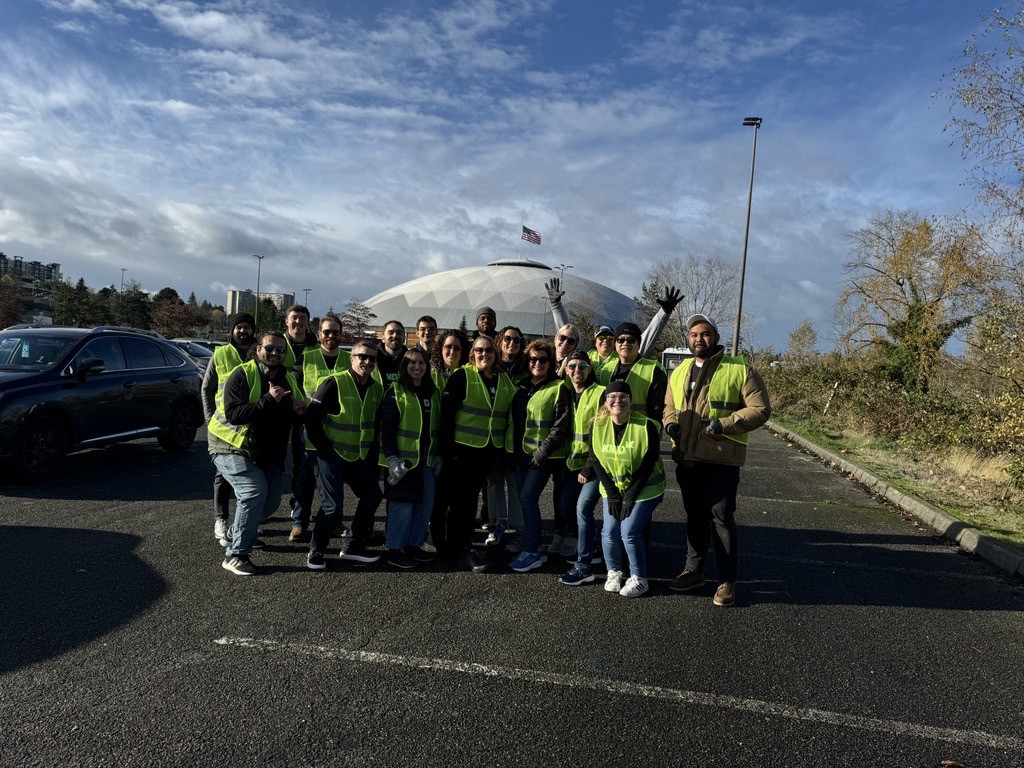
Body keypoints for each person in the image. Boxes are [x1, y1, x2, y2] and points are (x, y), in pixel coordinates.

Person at [663, 314, 770, 607]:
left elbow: (760, 409)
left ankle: (726, 582)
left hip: (721, 459)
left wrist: (725, 424)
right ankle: (693, 571)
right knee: (695, 517)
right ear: (689, 339)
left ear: (716, 337)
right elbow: (669, 405)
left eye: (706, 334)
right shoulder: (681, 369)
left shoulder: (740, 369)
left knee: (722, 519)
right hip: (687, 458)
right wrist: (670, 424)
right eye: (694, 334)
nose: (699, 339)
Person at [209, 332, 307, 576]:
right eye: (270, 348)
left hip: (266, 450)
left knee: (272, 500)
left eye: (280, 350)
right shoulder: (241, 374)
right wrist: (267, 400)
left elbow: (292, 415)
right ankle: (236, 555)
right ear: (258, 349)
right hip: (230, 444)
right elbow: (234, 414)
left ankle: (237, 532)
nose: (275, 353)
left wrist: (297, 412)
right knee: (253, 491)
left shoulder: (289, 380)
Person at [304, 340, 386, 569]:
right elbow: (311, 418)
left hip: (357, 456)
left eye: (372, 358)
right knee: (332, 506)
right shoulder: (334, 382)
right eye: (362, 356)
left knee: (372, 496)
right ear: (352, 358)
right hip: (330, 455)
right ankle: (316, 550)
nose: (367, 361)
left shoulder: (377, 389)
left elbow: (374, 424)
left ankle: (351, 547)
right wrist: (324, 449)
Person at [437, 334, 514, 572]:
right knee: (462, 503)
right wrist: (447, 451)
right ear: (472, 354)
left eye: (489, 351)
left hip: (488, 452)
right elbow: (446, 415)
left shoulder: (503, 380)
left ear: (496, 354)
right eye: (479, 350)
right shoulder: (463, 376)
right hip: (462, 452)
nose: (484, 354)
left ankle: (457, 547)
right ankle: (461, 549)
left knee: (468, 501)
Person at [591, 380, 664, 598]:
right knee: (609, 531)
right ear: (606, 401)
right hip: (613, 489)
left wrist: (630, 497)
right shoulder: (597, 424)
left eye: (623, 396)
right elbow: (594, 458)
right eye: (612, 397)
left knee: (629, 532)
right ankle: (613, 572)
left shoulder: (647, 425)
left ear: (631, 400)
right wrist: (613, 494)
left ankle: (639, 578)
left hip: (646, 488)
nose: (618, 401)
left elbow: (648, 464)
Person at [506, 339, 573, 572]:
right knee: (526, 501)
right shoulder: (521, 386)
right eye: (533, 359)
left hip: (542, 458)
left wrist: (541, 453)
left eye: (543, 359)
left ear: (550, 361)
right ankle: (532, 546)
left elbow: (561, 425)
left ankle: (532, 550)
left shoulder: (558, 387)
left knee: (527, 499)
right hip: (521, 455)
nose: (538, 363)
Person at [290, 313, 352, 541]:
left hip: (338, 429)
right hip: (309, 427)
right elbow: (294, 386)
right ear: (319, 334)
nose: (331, 336)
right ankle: (299, 522)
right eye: (327, 332)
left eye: (336, 332)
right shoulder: (307, 357)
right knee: (304, 476)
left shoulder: (348, 359)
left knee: (335, 478)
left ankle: (335, 522)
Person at [379, 348, 442, 569]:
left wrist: (439, 455)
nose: (417, 367)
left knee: (425, 504)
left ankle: (414, 544)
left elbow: (438, 427)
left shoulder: (433, 392)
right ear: (404, 366)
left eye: (422, 363)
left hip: (427, 458)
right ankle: (396, 548)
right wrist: (392, 458)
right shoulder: (395, 391)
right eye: (412, 363)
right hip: (403, 460)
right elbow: (387, 429)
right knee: (402, 505)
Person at [201, 312, 255, 546]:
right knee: (222, 475)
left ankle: (251, 520)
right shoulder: (221, 354)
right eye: (239, 327)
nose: (242, 331)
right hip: (224, 427)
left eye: (247, 327)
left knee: (253, 473)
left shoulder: (260, 352)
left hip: (252, 425)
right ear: (232, 330)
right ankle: (221, 519)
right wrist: (210, 418)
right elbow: (207, 388)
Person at [544, 278, 682, 362]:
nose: (605, 341)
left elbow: (645, 340)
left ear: (615, 343)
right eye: (601, 338)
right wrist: (556, 305)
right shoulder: (586, 359)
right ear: (595, 342)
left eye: (610, 338)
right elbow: (567, 334)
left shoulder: (623, 359)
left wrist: (664, 312)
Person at [558, 349, 605, 586]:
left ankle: (583, 564)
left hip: (594, 466)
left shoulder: (599, 393)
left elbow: (603, 434)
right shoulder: (564, 392)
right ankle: (591, 546)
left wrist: (589, 467)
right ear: (566, 369)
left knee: (582, 509)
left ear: (589, 369)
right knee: (566, 508)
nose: (577, 370)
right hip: (571, 464)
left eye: (582, 366)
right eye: (572, 366)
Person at [281, 304, 319, 542]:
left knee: (305, 469)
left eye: (302, 318)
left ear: (308, 322)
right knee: (272, 469)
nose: (298, 322)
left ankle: (299, 517)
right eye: (294, 318)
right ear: (287, 321)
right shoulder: (276, 346)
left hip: (307, 418)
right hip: (278, 416)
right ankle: (261, 516)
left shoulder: (316, 349)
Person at [601, 321, 668, 423]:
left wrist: (652, 434)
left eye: (631, 340)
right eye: (621, 340)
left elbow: (658, 412)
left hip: (640, 432)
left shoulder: (653, 370)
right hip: (610, 432)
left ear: (639, 344)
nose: (625, 343)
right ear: (615, 343)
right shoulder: (605, 370)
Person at [375, 320, 407, 384]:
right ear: (383, 338)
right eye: (390, 332)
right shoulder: (372, 357)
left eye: (399, 333)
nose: (395, 335)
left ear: (404, 338)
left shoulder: (411, 359)